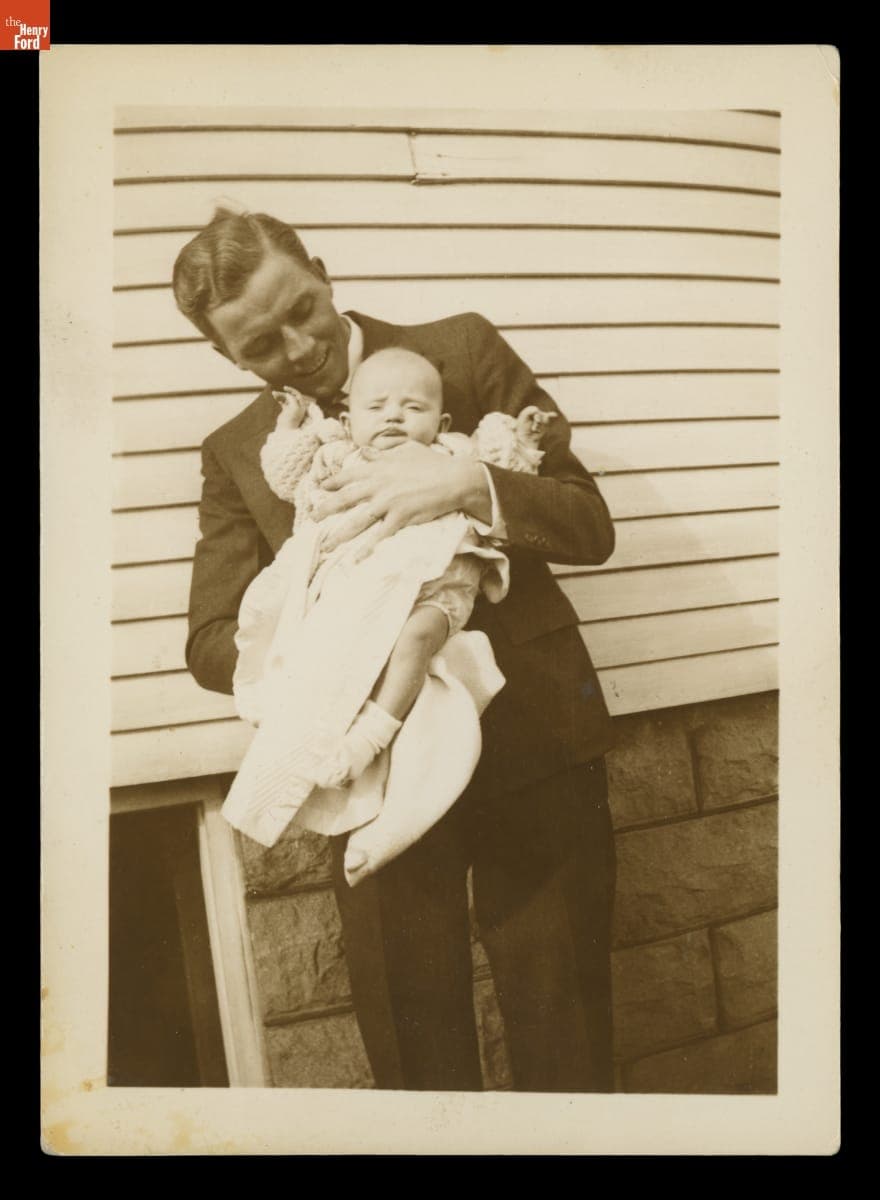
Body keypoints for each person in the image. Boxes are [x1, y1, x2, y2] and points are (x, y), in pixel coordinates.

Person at [173, 208, 619, 1093]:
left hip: (533, 742)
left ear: (325, 273)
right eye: (262, 345)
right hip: (368, 785)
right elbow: (210, 639)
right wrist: (329, 651)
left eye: (302, 309)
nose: (299, 349)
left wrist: (468, 479)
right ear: (230, 361)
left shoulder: (459, 349)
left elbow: (588, 522)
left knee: (564, 1016)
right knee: (417, 1047)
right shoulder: (240, 454)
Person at [223, 347, 556, 887]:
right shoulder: (337, 457)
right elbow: (289, 481)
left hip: (436, 586)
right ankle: (372, 803)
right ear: (348, 420)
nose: (395, 417)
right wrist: (290, 427)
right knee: (357, 674)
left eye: (414, 408)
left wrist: (523, 441)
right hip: (363, 590)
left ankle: (368, 742)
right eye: (377, 407)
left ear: (442, 423)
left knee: (418, 638)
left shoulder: (453, 453)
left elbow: (505, 475)